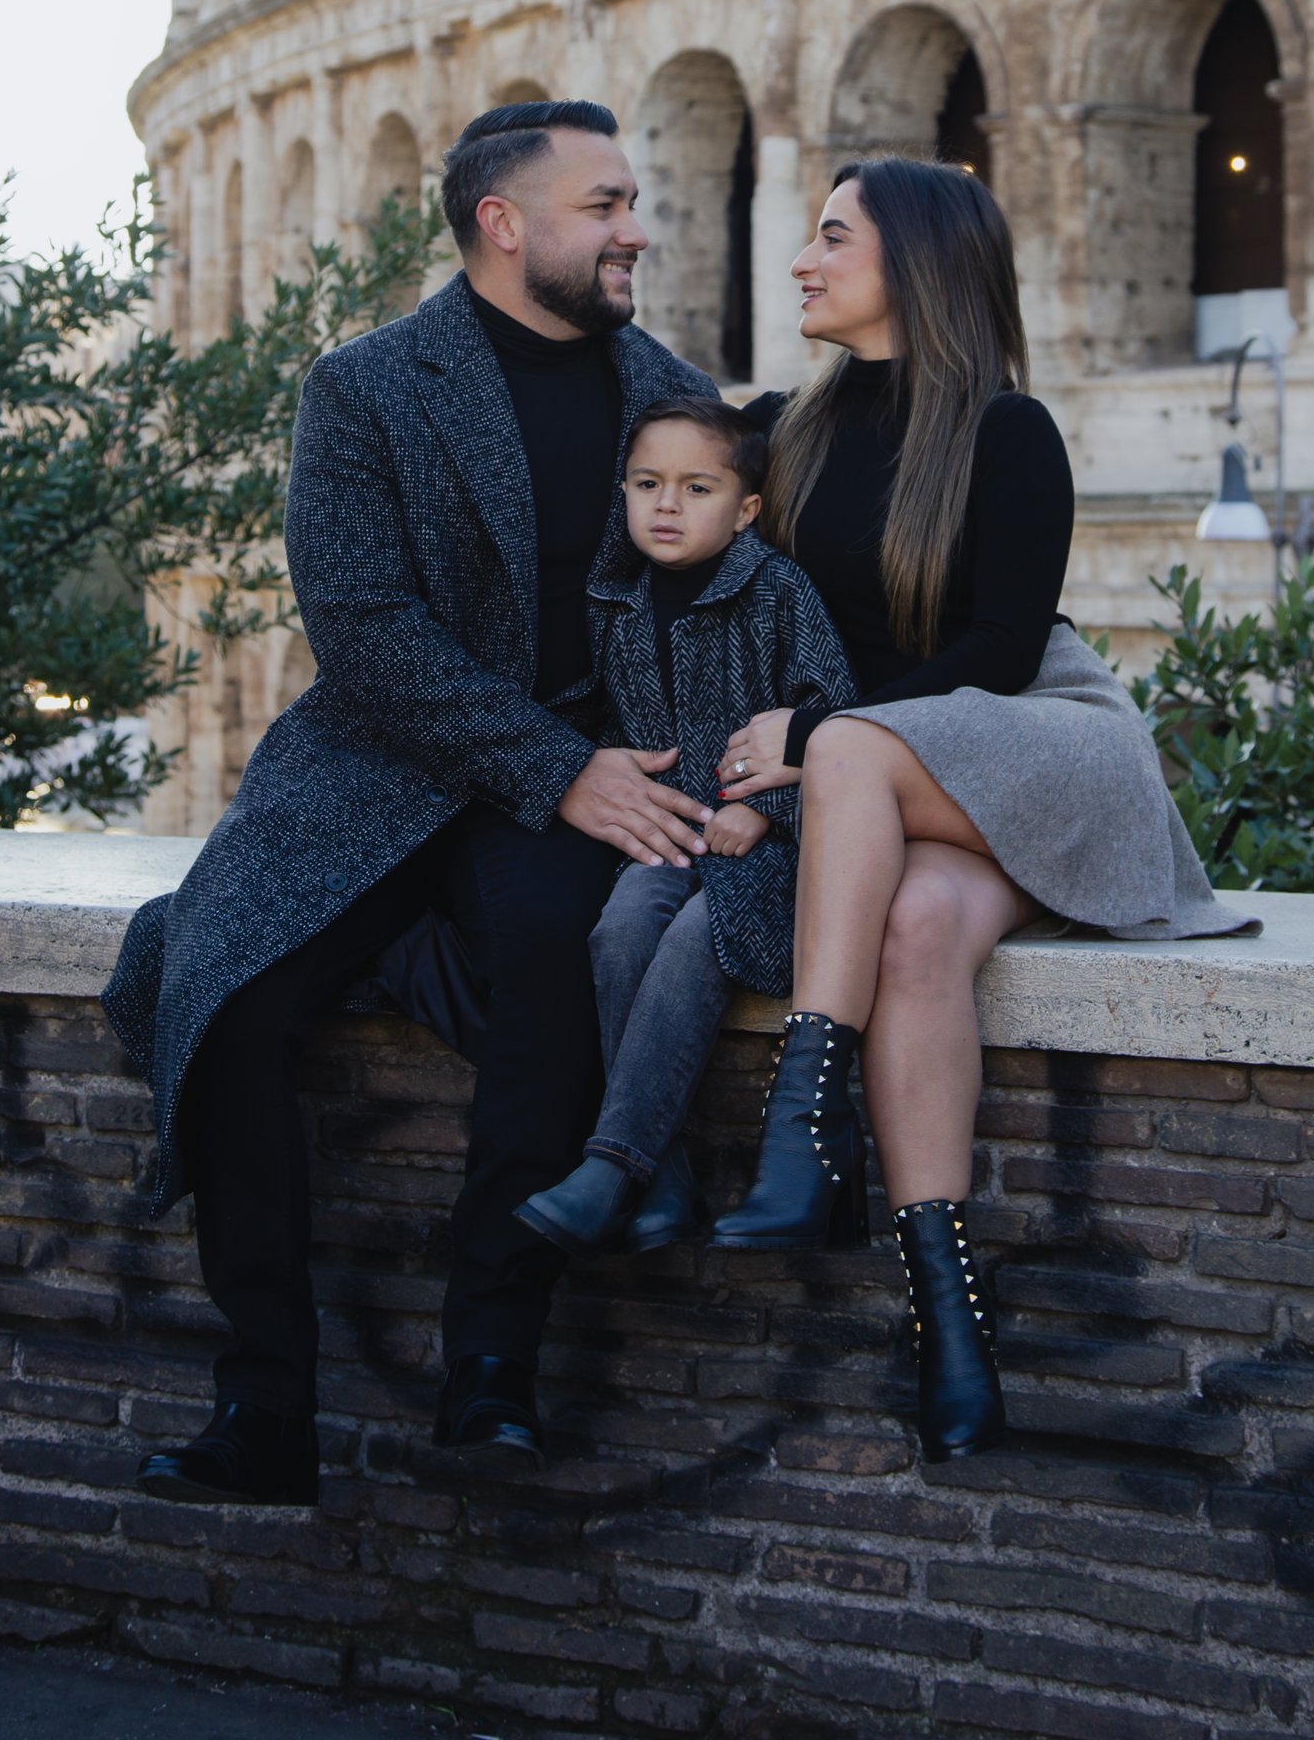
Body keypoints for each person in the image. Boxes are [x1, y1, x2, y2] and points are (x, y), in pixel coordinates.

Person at [101, 100, 720, 1504]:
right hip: (382, 762)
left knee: (553, 975)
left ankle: (491, 1369)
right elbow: (366, 631)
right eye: (605, 206)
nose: (635, 229)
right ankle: (264, 1407)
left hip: (583, 783)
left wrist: (623, 767)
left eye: (631, 203)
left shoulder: (673, 396)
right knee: (223, 983)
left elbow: (722, 604)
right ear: (503, 224)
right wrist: (553, 767)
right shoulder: (367, 386)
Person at [709, 157, 1255, 1464]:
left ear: (916, 263)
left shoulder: (1008, 432)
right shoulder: (789, 435)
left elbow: (1003, 648)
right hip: (892, 773)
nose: (802, 260)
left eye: (832, 237)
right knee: (915, 933)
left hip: (1036, 742)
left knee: (848, 752)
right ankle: (948, 1327)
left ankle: (802, 1133)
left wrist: (820, 738)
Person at [514, 397, 853, 1260]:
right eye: (647, 484)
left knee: (697, 943)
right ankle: (663, 1185)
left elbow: (840, 724)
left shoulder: (777, 590)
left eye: (697, 488)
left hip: (773, 851)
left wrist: (766, 807)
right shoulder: (614, 598)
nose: (667, 505)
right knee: (621, 931)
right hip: (670, 835)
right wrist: (600, 766)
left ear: (745, 510)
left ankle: (614, 1166)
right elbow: (593, 718)